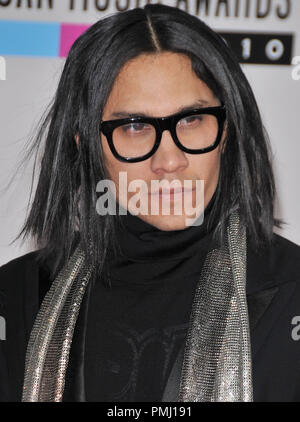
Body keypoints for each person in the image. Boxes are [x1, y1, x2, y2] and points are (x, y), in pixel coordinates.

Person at [0, 3, 300, 403]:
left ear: (226, 129)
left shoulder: (292, 292)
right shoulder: (16, 299)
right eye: (135, 126)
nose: (169, 161)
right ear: (86, 143)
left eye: (192, 119)